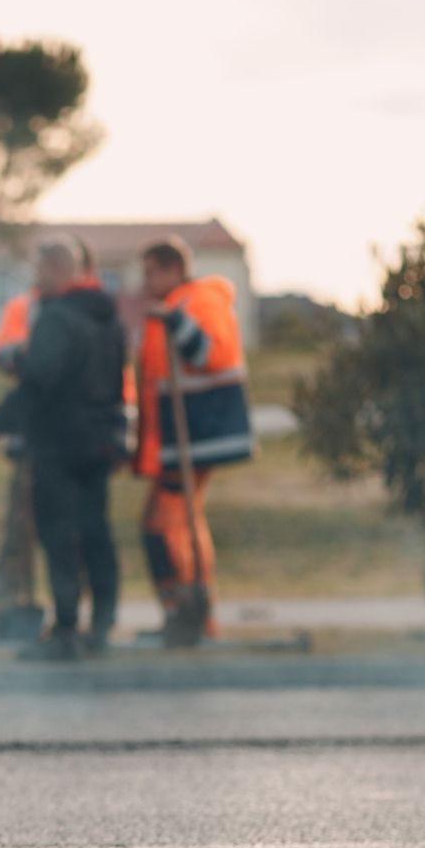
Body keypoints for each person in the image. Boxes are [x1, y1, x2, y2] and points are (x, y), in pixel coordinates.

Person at [134, 236, 255, 645]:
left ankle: (192, 612)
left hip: (201, 434)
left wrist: (174, 321)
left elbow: (210, 354)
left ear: (174, 269)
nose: (145, 283)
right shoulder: (174, 305)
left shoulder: (199, 301)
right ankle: (181, 611)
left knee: (168, 525)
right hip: (179, 438)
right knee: (169, 523)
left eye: (151, 273)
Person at [12, 236, 127, 661]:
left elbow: (39, 378)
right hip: (99, 440)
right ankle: (102, 625)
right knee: (96, 531)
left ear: (57, 269)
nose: (35, 278)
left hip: (58, 442)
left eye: (38, 270)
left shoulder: (57, 316)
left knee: (59, 534)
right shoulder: (107, 317)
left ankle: (66, 629)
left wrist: (8, 422)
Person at [0, 286, 44, 642]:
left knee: (61, 535)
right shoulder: (24, 309)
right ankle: (7, 610)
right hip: (27, 447)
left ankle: (70, 616)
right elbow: (3, 359)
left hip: (62, 449)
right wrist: (0, 423)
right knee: (17, 533)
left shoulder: (77, 316)